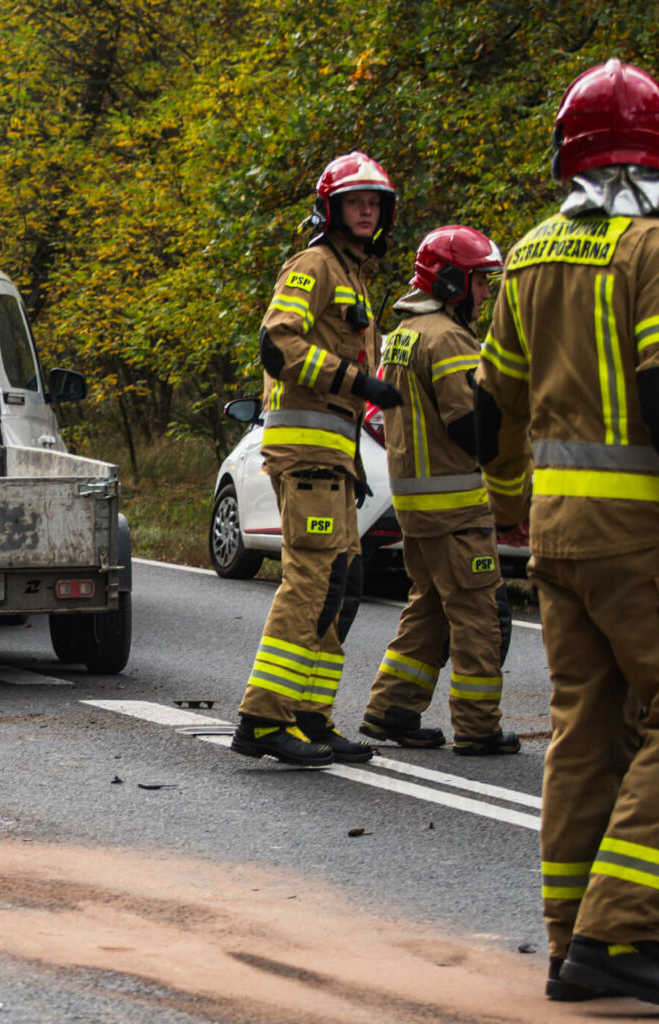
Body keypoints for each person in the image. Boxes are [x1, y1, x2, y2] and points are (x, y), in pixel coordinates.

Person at [476, 60, 659, 1012]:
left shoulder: (530, 252)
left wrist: (510, 500)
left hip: (558, 540)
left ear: (568, 154)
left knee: (586, 735)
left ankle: (568, 945)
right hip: (648, 540)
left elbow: (490, 403)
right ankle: (618, 936)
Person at [229, 151, 404, 767]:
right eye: (355, 200)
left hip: (335, 461)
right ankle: (261, 718)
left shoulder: (355, 274)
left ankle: (309, 716)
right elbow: (278, 343)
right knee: (313, 584)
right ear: (331, 209)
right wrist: (360, 383)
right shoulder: (315, 264)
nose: (366, 210)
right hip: (306, 455)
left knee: (344, 587)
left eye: (375, 202)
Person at [359, 226, 520, 757]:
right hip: (456, 509)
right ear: (452, 281)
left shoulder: (405, 331)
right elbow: (466, 425)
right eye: (479, 282)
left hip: (416, 506)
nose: (484, 294)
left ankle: (391, 710)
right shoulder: (448, 338)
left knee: (429, 608)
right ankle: (478, 726)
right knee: (478, 616)